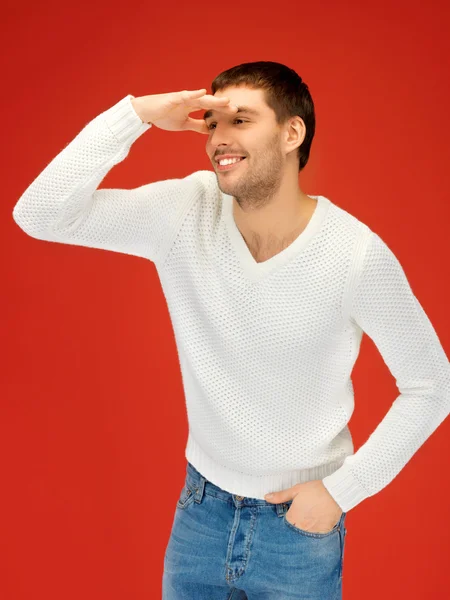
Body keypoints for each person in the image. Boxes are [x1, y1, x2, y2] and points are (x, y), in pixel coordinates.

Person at [12, 61, 450, 599]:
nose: (218, 139)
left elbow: (433, 384)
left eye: (240, 120)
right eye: (212, 123)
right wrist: (136, 115)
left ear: (292, 133)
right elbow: (40, 213)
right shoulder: (186, 209)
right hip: (200, 513)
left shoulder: (355, 255)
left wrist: (343, 491)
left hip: (297, 532)